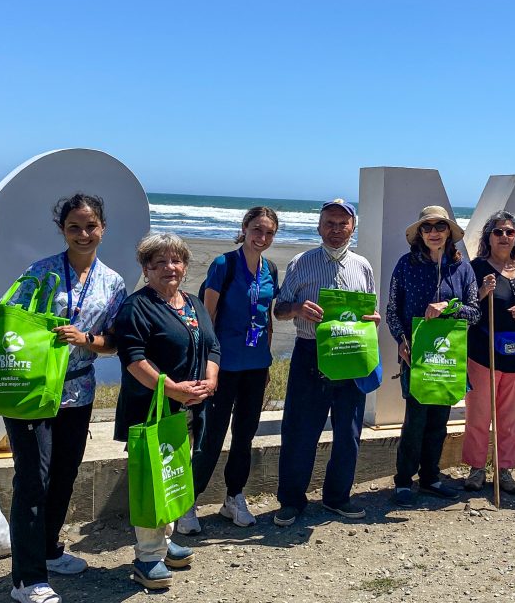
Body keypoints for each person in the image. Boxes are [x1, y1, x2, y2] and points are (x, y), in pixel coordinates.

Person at [0, 193, 128, 603]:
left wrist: (86, 339)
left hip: (78, 390)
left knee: (64, 474)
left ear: (103, 228)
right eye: (74, 227)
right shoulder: (39, 273)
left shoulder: (113, 283)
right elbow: (6, 329)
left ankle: (49, 548)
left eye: (90, 226)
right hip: (29, 391)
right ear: (62, 230)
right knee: (33, 480)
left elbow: (113, 342)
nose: (83, 234)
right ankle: (26, 579)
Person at [111, 232, 220, 589]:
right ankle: (147, 555)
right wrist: (173, 388)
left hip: (189, 408)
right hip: (151, 408)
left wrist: (210, 380)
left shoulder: (191, 302)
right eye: (159, 263)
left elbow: (212, 346)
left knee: (173, 476)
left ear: (185, 266)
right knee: (150, 480)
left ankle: (164, 538)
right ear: (145, 269)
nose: (169, 268)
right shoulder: (136, 306)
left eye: (175, 261)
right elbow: (133, 359)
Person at [271, 198, 380, 527]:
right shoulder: (301, 262)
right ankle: (291, 501)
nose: (336, 230)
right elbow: (278, 309)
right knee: (301, 431)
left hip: (350, 354)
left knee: (348, 431)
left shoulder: (363, 266)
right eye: (329, 223)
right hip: (310, 352)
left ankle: (337, 497)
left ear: (353, 227)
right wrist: (296, 310)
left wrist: (371, 320)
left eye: (342, 224)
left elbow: (368, 313)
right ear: (319, 227)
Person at [176, 207, 280, 534]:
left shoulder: (271, 269)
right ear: (244, 228)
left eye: (269, 233)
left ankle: (234, 497)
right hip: (222, 367)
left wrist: (267, 361)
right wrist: (209, 367)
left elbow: (267, 318)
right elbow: (206, 321)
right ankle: (187, 504)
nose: (261, 238)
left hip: (255, 365)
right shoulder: (225, 264)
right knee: (210, 435)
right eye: (257, 230)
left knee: (245, 435)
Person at [386, 205, 480, 507]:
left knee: (439, 421)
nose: (434, 232)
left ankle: (430, 478)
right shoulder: (405, 265)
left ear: (449, 233)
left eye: (440, 227)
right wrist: (401, 341)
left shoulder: (462, 267)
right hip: (415, 354)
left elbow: (474, 312)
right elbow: (392, 310)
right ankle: (403, 481)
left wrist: (449, 306)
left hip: (448, 356)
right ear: (420, 234)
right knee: (414, 420)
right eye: (427, 227)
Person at [463, 211, 515, 495]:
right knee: (479, 415)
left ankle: (505, 470)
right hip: (482, 355)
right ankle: (476, 469)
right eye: (498, 232)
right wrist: (483, 292)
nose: (504, 237)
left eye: (510, 232)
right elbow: (464, 309)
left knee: (511, 419)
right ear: (488, 237)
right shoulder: (475, 268)